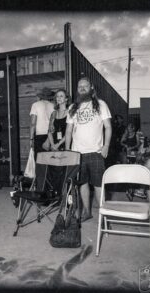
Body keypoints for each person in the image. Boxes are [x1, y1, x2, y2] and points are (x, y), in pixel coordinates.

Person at [65, 77, 112, 222]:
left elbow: (108, 127)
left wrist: (106, 146)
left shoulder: (100, 104)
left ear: (91, 87)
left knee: (98, 185)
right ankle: (87, 211)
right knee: (82, 183)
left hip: (96, 152)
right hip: (77, 153)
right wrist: (67, 150)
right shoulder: (73, 107)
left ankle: (103, 217)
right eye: (80, 86)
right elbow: (68, 130)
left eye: (85, 86)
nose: (82, 88)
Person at [29, 87, 55, 159]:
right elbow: (53, 122)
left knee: (39, 161)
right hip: (50, 136)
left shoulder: (35, 105)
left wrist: (31, 139)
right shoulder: (53, 106)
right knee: (49, 160)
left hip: (39, 136)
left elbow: (33, 124)